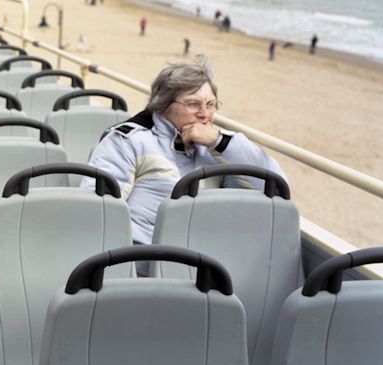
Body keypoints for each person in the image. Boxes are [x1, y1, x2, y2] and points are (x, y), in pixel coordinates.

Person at [83, 56, 285, 255]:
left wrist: (221, 142)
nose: (205, 114)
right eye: (194, 104)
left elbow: (275, 187)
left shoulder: (218, 150)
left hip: (203, 267)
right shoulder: (128, 141)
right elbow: (97, 210)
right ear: (164, 105)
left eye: (211, 104)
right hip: (141, 263)